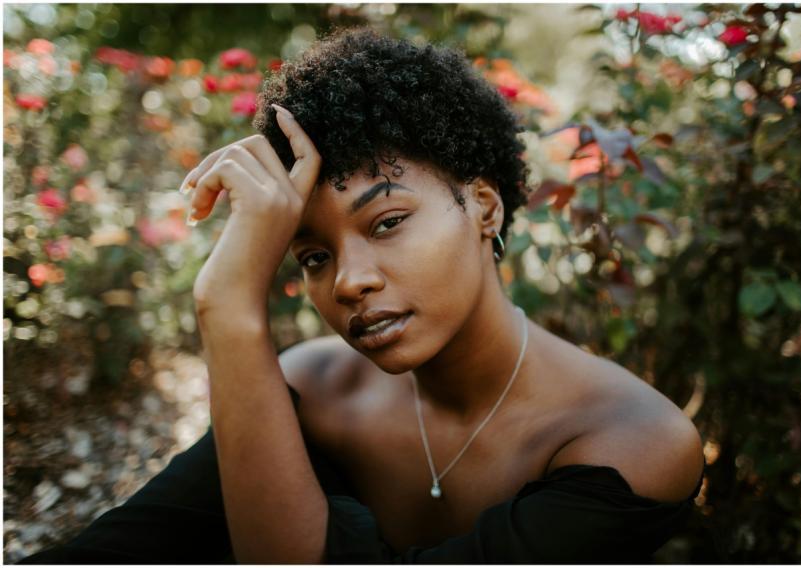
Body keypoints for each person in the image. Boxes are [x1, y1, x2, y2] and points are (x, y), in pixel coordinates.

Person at [19, 27, 705, 564]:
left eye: (387, 222)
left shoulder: (632, 445)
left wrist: (229, 313)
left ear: (484, 208)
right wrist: (225, 302)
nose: (349, 282)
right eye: (313, 255)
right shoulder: (308, 391)